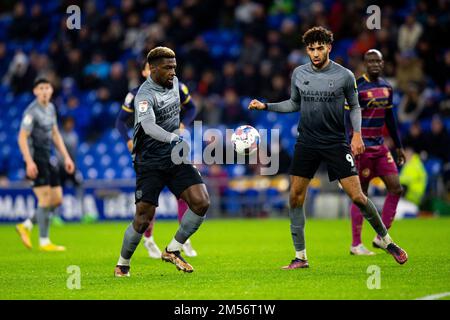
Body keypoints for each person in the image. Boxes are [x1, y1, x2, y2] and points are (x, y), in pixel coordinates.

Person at [248, 27, 408, 269]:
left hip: (335, 142)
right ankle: (300, 257)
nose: (315, 53)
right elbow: (293, 103)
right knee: (295, 197)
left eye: (319, 48)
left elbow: (354, 107)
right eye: (311, 49)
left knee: (357, 196)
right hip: (307, 142)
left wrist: (357, 134)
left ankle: (386, 240)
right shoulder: (299, 73)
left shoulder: (345, 75)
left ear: (329, 48)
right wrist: (265, 106)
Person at [114, 47, 209, 277]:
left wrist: (180, 131)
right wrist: (174, 137)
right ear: (152, 69)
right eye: (167, 68)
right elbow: (148, 126)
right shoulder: (144, 95)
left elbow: (192, 107)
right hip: (149, 161)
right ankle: (122, 263)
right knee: (143, 219)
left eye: (174, 67)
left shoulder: (176, 83)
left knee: (201, 202)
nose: (173, 72)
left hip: (174, 156)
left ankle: (173, 249)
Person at [349, 49, 406, 256]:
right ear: (365, 63)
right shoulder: (357, 86)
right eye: (370, 60)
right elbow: (347, 118)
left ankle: (382, 237)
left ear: (383, 64)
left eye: (378, 61)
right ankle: (356, 244)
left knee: (396, 188)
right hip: (362, 148)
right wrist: (350, 143)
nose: (374, 64)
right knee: (360, 195)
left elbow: (390, 119)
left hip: (381, 147)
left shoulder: (387, 87)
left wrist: (398, 146)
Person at [15, 77, 75, 251]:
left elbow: (55, 134)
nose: (44, 91)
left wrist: (66, 157)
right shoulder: (31, 112)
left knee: (56, 199)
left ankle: (26, 225)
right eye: (40, 88)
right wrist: (29, 162)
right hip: (36, 159)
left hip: (49, 157)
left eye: (47, 87)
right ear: (35, 91)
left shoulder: (50, 108)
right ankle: (44, 241)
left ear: (51, 90)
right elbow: (22, 137)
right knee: (45, 199)